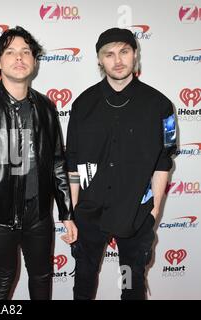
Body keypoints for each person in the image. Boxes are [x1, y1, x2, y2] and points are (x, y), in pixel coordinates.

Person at [0, 26, 77, 300]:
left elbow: (58, 162)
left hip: (39, 217)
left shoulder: (46, 107)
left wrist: (67, 213)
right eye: (10, 52)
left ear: (34, 61)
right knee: (1, 281)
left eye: (26, 51)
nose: (19, 57)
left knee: (42, 277)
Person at [66, 27, 177, 300]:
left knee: (131, 283)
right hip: (90, 213)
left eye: (124, 52)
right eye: (109, 54)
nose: (117, 60)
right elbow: (73, 163)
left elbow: (163, 163)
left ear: (135, 54)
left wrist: (154, 213)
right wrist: (74, 211)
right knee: (83, 280)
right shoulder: (82, 105)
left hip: (137, 212)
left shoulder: (161, 106)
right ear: (99, 60)